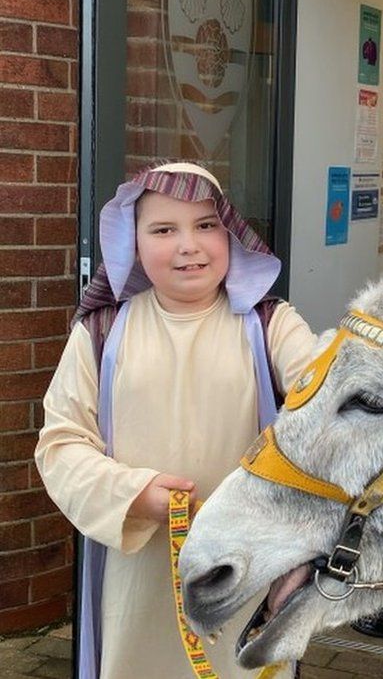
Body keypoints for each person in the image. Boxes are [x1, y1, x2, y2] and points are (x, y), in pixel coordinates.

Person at [35, 162, 320, 679]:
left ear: (230, 234)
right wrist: (136, 496)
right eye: (164, 229)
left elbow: (329, 401)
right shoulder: (101, 333)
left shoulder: (272, 324)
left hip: (247, 567)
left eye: (206, 225)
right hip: (135, 572)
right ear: (133, 244)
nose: (189, 245)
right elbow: (60, 443)